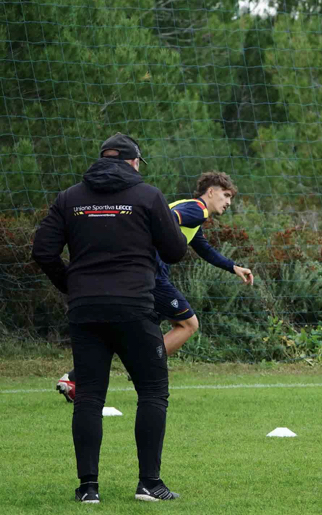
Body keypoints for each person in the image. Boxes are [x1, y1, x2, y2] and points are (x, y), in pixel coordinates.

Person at [32, 133, 188, 502]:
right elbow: (176, 251)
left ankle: (89, 489)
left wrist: (70, 282)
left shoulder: (70, 198)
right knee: (152, 391)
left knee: (88, 397)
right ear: (134, 163)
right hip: (134, 307)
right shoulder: (148, 196)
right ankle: (149, 484)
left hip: (86, 309)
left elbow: (42, 250)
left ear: (101, 160)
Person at [55, 171, 253, 401]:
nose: (229, 202)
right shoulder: (197, 209)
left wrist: (233, 267)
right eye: (226, 195)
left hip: (143, 274)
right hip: (154, 277)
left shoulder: (193, 213)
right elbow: (166, 219)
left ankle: (73, 379)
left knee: (122, 333)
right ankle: (142, 368)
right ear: (211, 192)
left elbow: (203, 248)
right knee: (188, 324)